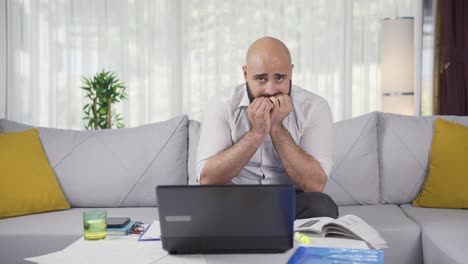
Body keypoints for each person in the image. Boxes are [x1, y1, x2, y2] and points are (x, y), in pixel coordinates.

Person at [196, 36, 338, 219]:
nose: (271, 90)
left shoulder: (314, 107)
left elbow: (315, 185)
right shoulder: (223, 104)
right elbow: (207, 179)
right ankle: (265, 225)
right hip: (232, 198)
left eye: (279, 78)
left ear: (291, 72)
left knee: (322, 206)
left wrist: (276, 127)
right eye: (261, 79)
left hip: (287, 201)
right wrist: (257, 133)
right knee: (200, 204)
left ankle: (248, 226)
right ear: (246, 74)